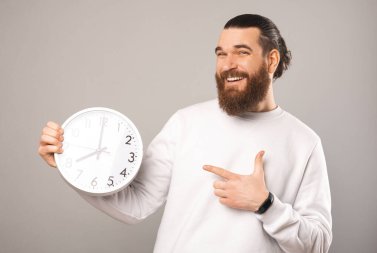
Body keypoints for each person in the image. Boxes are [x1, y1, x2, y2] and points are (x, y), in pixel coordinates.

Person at [38, 14, 332, 253]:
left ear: (271, 61)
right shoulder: (186, 122)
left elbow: (317, 244)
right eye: (221, 54)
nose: (228, 64)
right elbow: (136, 204)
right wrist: (71, 164)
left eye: (242, 53)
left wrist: (266, 204)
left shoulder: (304, 142)